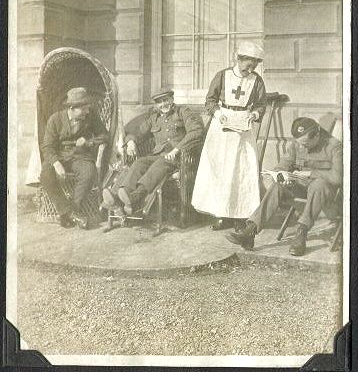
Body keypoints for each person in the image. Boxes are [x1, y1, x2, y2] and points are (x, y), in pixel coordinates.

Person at [226, 117, 343, 256]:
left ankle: (301, 233)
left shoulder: (334, 146)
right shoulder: (297, 143)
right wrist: (281, 176)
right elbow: (283, 164)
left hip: (324, 194)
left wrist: (311, 173)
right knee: (277, 187)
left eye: (306, 144)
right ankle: (250, 231)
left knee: (319, 184)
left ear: (317, 135)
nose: (302, 147)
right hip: (300, 187)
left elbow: (338, 177)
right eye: (300, 143)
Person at [191, 41, 266, 231]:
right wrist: (219, 114)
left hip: (243, 127)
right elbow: (210, 101)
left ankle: (240, 216)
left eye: (254, 65)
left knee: (241, 171)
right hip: (222, 125)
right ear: (239, 59)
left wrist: (254, 114)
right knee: (221, 170)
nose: (250, 69)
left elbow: (260, 105)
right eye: (248, 64)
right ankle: (222, 215)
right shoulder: (222, 76)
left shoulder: (256, 81)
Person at [102, 88, 204, 215]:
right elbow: (137, 132)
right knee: (140, 162)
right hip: (158, 156)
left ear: (172, 100)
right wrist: (131, 142)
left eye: (165, 100)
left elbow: (196, 131)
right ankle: (121, 195)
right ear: (156, 105)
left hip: (179, 159)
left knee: (160, 163)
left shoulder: (183, 112)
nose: (163, 104)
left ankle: (135, 197)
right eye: (159, 102)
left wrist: (177, 149)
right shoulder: (154, 118)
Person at [40, 87, 108, 229]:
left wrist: (88, 142)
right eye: (84, 109)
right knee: (46, 176)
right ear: (72, 108)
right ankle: (69, 212)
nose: (87, 112)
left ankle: (73, 210)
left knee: (89, 173)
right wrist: (57, 163)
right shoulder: (55, 119)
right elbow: (47, 146)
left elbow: (104, 135)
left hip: (80, 155)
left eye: (88, 108)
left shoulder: (91, 116)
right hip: (59, 156)